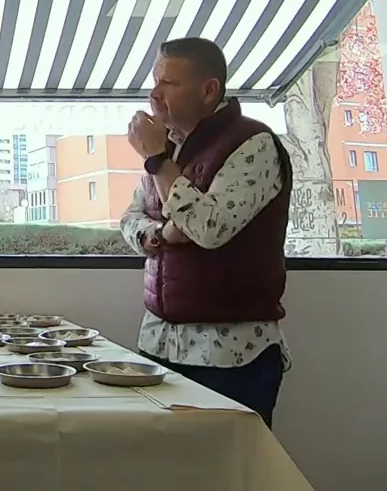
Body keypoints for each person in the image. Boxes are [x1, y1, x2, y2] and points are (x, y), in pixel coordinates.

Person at [121, 37, 292, 428]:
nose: (154, 93)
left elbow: (209, 229)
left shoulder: (253, 144)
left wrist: (157, 160)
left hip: (231, 357)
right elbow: (130, 219)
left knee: (228, 473)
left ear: (209, 89)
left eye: (169, 83)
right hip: (159, 346)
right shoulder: (169, 148)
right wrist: (161, 236)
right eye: (154, 80)